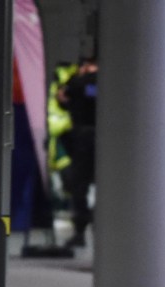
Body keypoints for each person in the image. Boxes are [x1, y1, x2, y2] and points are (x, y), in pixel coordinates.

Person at [58, 56, 99, 248]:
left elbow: (62, 99)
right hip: (108, 138)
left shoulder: (76, 82)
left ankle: (80, 230)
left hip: (82, 136)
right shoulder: (111, 81)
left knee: (79, 184)